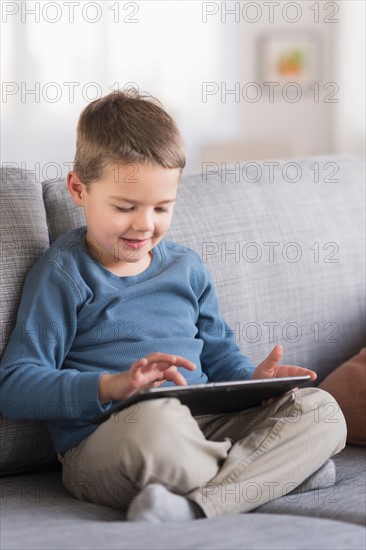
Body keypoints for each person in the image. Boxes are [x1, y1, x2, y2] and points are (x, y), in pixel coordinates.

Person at [0, 90, 346, 522]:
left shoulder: (187, 267)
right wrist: (112, 386)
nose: (145, 224)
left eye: (162, 207)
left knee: (320, 409)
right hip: (114, 439)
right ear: (79, 189)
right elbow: (14, 387)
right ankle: (271, 474)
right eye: (125, 207)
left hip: (203, 426)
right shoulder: (64, 274)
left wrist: (255, 383)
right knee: (157, 422)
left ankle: (199, 503)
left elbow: (220, 358)